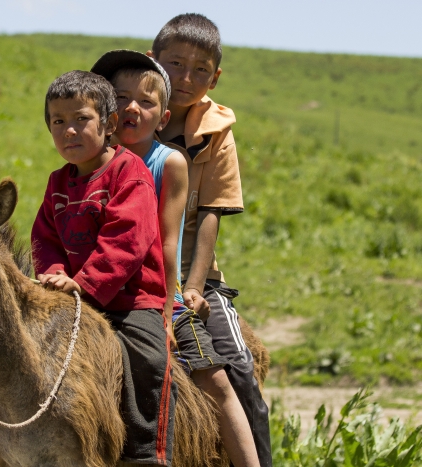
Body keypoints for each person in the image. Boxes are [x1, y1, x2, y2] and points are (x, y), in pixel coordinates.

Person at [91, 50, 259, 467]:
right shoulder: (87, 161)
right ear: (104, 109)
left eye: (146, 102)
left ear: (163, 119)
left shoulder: (169, 162)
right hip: (97, 289)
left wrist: (170, 303)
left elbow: (168, 241)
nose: (132, 107)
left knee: (214, 378)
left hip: (152, 291)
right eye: (120, 98)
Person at [31, 70, 175, 466]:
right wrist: (53, 274)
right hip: (72, 293)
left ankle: (147, 450)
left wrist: (82, 284)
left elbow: (127, 242)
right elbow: (45, 237)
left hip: (130, 300)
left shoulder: (130, 174)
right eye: (58, 122)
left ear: (109, 124)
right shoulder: (57, 181)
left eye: (81, 119)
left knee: (148, 357)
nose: (69, 131)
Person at [148, 13, 273, 466]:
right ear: (152, 60)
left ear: (215, 77)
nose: (185, 78)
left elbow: (211, 216)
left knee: (239, 370)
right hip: (128, 264)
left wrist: (194, 286)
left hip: (190, 271)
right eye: (175, 64)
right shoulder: (126, 117)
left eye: (200, 70)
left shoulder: (217, 133)